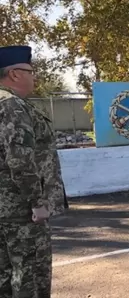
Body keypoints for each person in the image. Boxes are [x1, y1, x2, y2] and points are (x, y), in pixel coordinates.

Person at [0, 45, 66, 297]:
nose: (34, 76)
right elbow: (19, 160)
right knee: (30, 277)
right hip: (21, 211)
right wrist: (37, 202)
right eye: (30, 71)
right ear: (15, 74)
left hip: (5, 209)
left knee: (5, 276)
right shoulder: (13, 106)